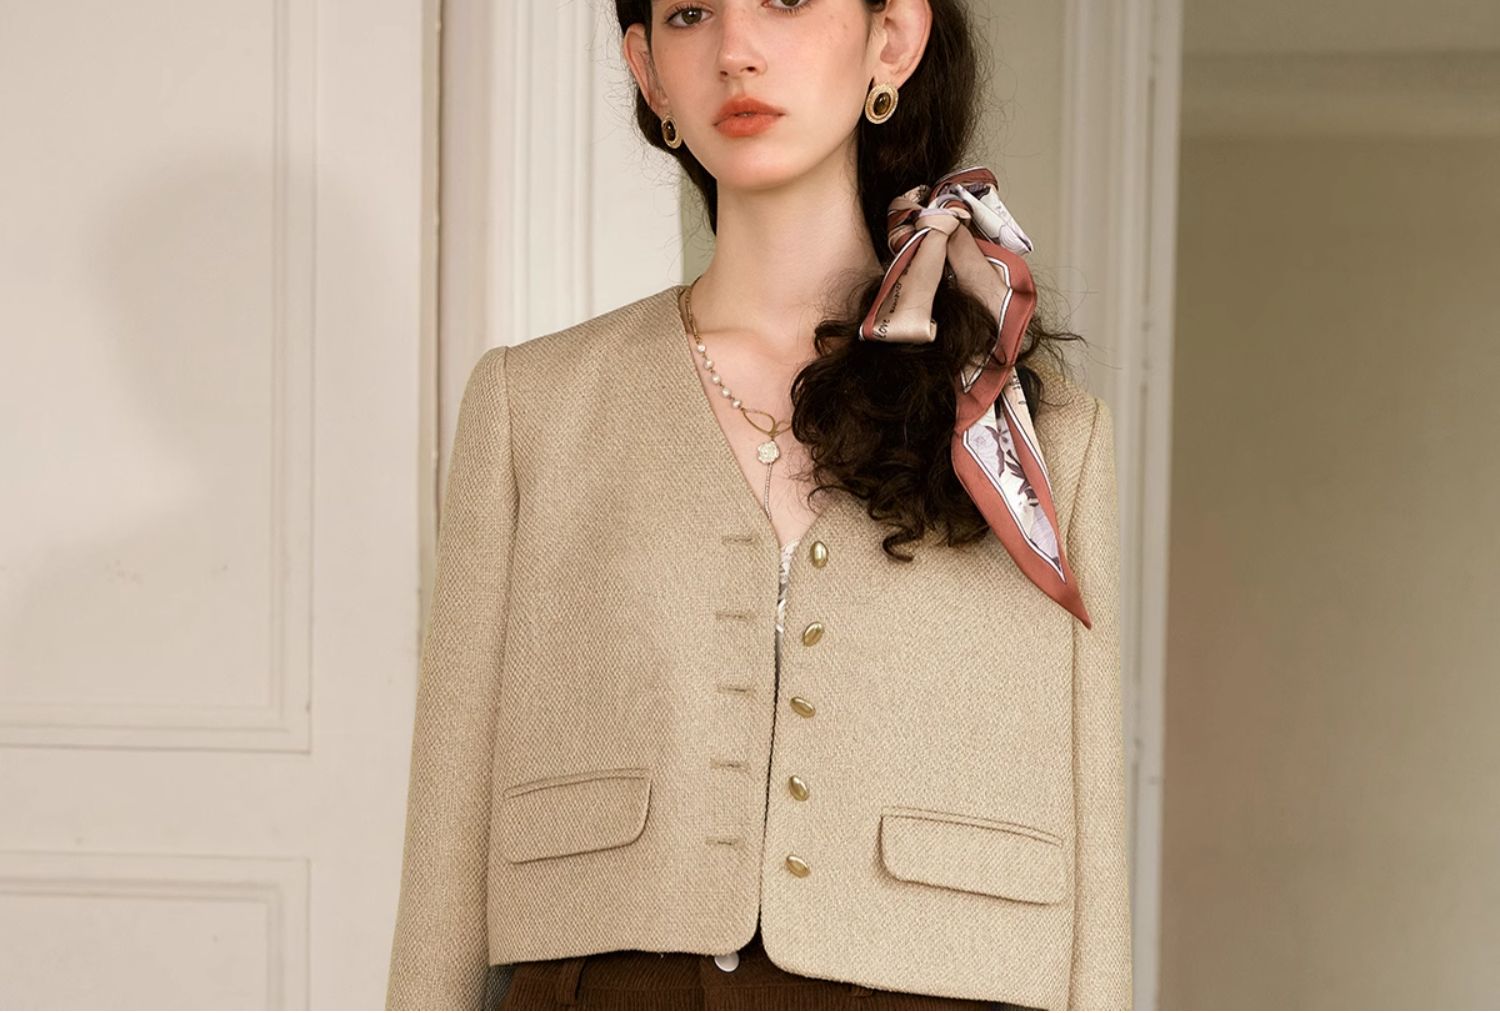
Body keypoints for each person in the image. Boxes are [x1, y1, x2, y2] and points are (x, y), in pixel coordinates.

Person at [385, 0, 1132, 1009]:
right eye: (691, 13)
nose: (735, 50)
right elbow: (447, 837)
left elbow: (1092, 856)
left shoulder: (1040, 442)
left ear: (892, 39)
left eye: (785, 0)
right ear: (648, 69)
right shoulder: (534, 407)